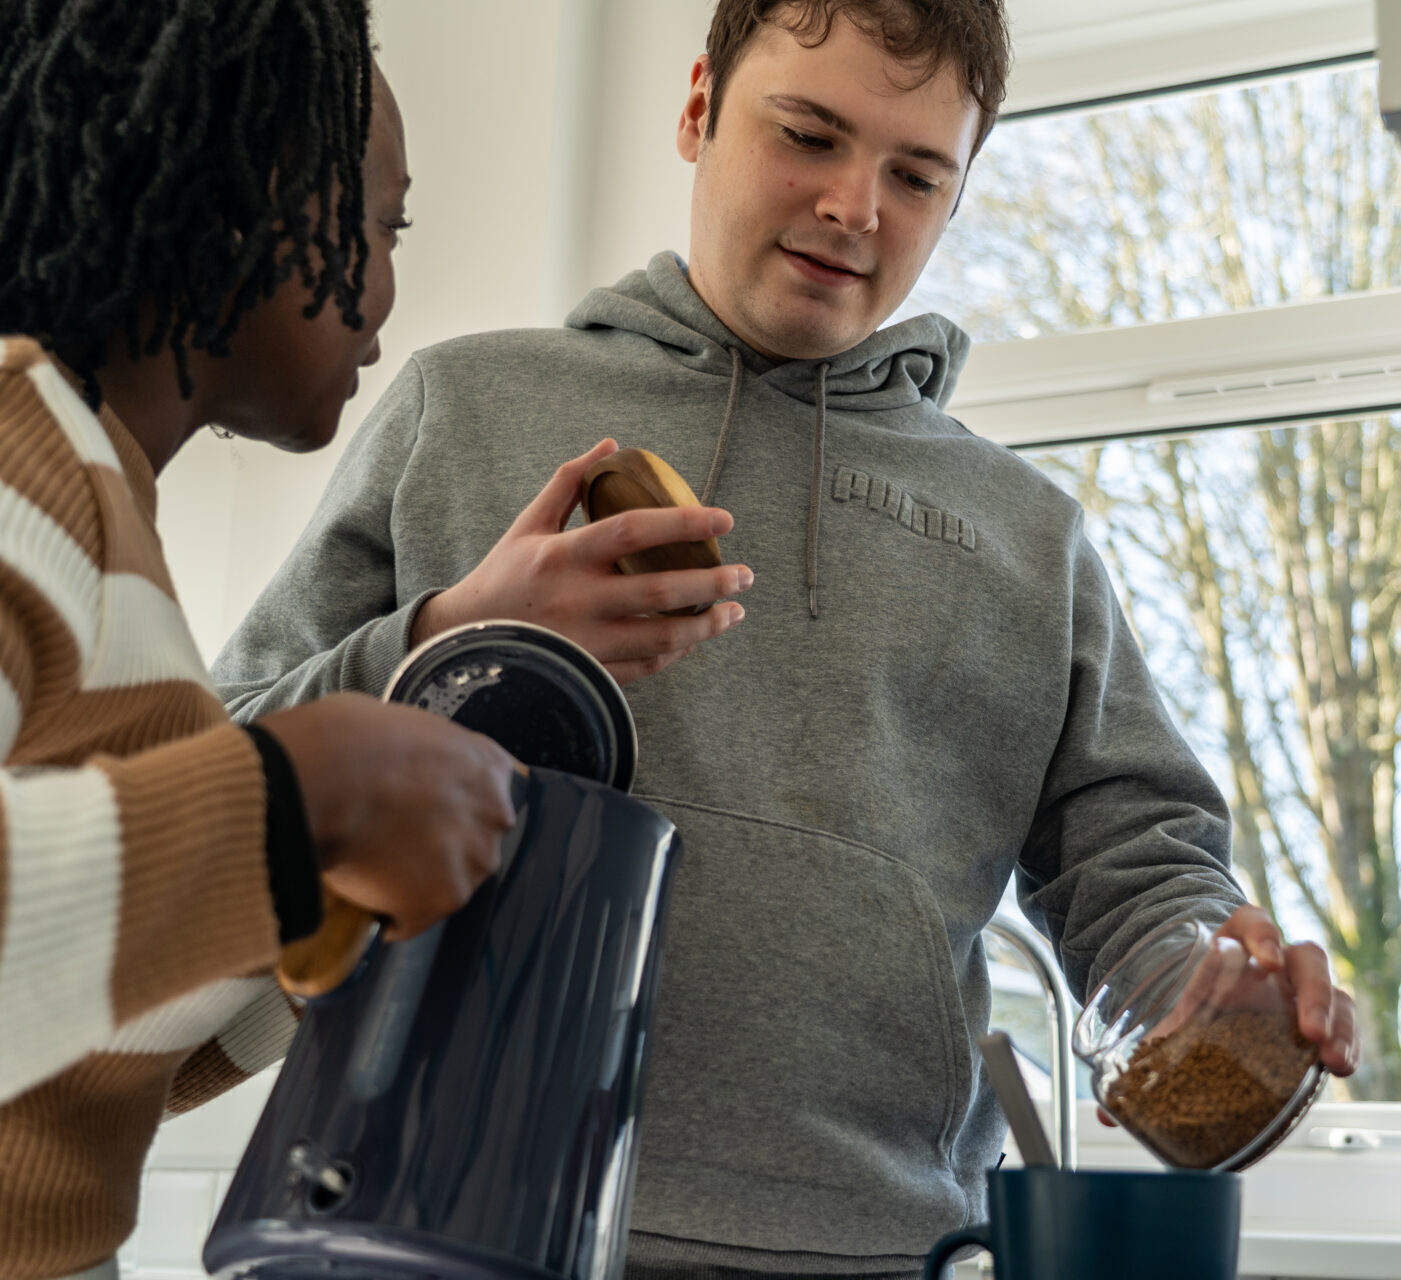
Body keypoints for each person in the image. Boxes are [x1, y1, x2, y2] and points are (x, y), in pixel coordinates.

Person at [213, 2, 1361, 1277]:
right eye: (809, 135)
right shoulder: (462, 404)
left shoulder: (1031, 538)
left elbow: (1139, 869)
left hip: (883, 1247)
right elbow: (217, 768)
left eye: (916, 175)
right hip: (430, 1221)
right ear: (699, 107)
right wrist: (450, 636)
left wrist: (1217, 969)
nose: (853, 206)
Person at [0, 3, 745, 1277]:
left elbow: (83, 1042)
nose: (389, 290)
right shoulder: (23, 465)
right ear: (245, 198)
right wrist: (304, 791)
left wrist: (310, 904)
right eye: (386, 225)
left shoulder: (101, 510)